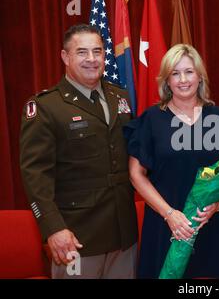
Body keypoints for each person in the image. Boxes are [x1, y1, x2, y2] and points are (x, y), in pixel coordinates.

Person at [19, 24, 138, 278]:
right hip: (76, 237)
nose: (92, 59)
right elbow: (35, 176)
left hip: (123, 233)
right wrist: (53, 229)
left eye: (98, 51)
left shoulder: (120, 97)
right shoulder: (46, 107)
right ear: (65, 57)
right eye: (82, 52)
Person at [124, 44, 219, 279]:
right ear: (167, 80)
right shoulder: (152, 119)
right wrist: (170, 215)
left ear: (199, 76)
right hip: (166, 226)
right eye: (175, 73)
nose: (183, 79)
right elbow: (136, 174)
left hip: (208, 225)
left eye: (189, 72)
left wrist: (217, 204)